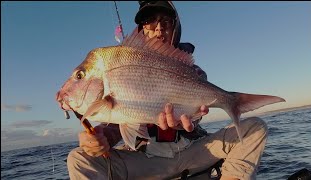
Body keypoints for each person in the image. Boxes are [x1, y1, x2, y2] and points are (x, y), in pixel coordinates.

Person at [67, 1, 268, 180]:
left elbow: (195, 116)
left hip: (193, 152)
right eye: (150, 21)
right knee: (78, 159)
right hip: (145, 161)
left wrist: (184, 123)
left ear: (176, 27)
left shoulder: (194, 72)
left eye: (166, 21)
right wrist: (102, 138)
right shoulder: (124, 65)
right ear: (142, 29)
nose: (159, 28)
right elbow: (123, 116)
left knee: (255, 128)